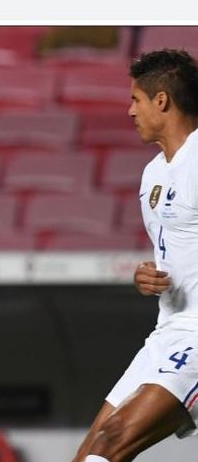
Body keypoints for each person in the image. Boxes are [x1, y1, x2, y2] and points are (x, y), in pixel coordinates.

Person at [73, 49, 198, 462]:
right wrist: (147, 275)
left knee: (112, 444)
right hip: (167, 330)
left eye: (135, 99)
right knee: (89, 452)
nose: (130, 111)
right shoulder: (154, 173)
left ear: (161, 100)